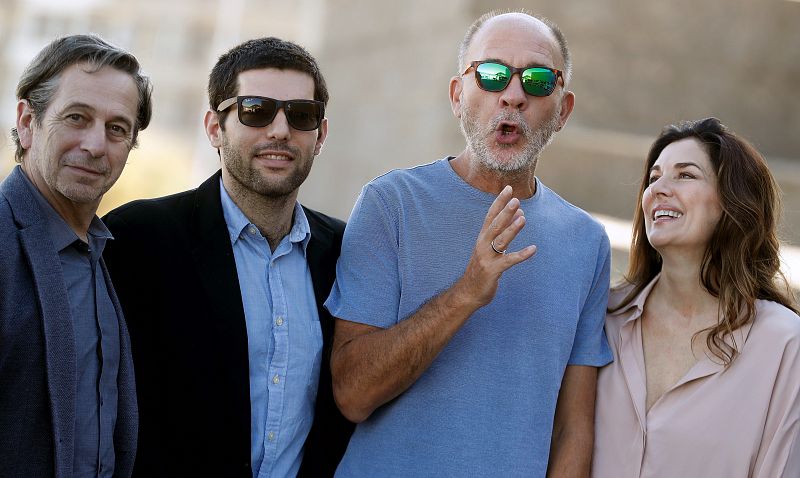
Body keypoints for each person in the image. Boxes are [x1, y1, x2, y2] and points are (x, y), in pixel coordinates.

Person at [325, 10, 612, 476]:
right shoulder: (391, 204)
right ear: (458, 95)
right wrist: (465, 293)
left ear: (563, 110)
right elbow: (352, 395)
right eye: (492, 74)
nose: (513, 95)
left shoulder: (587, 242)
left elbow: (573, 428)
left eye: (538, 81)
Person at [102, 37, 353, 477]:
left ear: (321, 136)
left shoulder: (346, 252)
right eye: (256, 110)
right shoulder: (138, 238)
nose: (280, 130)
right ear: (214, 128)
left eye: (301, 114)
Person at [593, 117, 800, 477]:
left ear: (732, 202)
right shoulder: (604, 317)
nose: (658, 189)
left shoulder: (782, 343)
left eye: (685, 175)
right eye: (654, 177)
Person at [0, 34, 152, 477]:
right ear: (27, 121)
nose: (95, 145)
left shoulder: (103, 253)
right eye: (76, 117)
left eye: (117, 128)